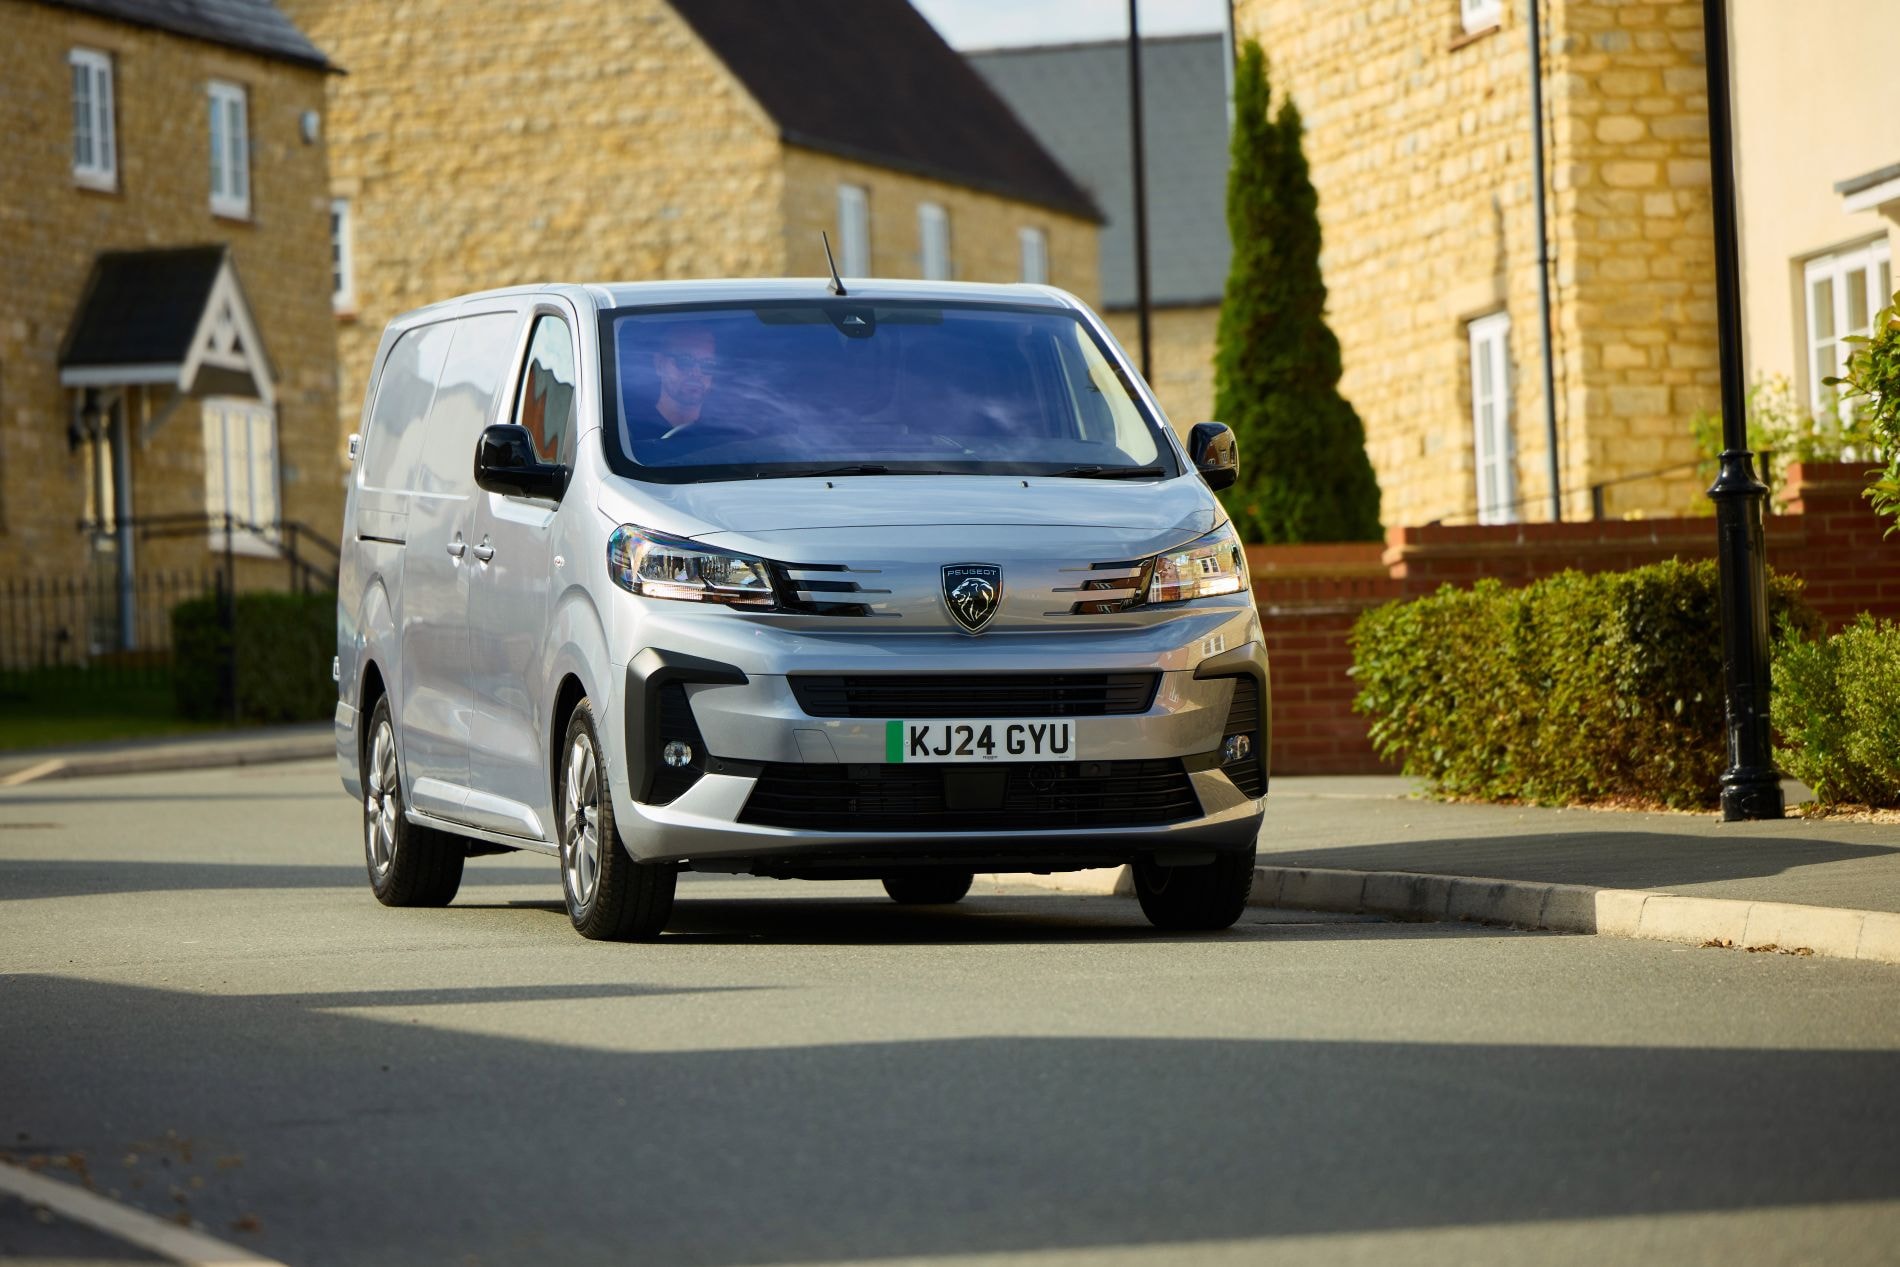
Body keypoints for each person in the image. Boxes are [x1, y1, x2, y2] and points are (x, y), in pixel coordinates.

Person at [623, 324, 722, 458]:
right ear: (659, 364)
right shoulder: (626, 438)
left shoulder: (726, 434)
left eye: (707, 364)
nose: (696, 372)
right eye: (685, 361)